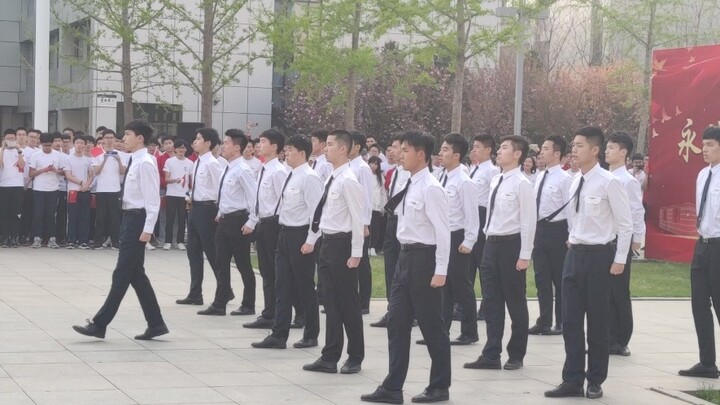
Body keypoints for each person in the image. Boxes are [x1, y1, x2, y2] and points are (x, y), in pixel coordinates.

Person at [361, 130, 451, 404]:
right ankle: (392, 387)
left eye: (406, 150)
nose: (399, 154)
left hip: (424, 261)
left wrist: (440, 270)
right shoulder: (410, 182)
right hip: (405, 259)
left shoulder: (431, 187)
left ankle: (439, 386)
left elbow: (443, 232)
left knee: (432, 326)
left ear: (420, 154)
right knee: (397, 323)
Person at [545, 126, 632, 399]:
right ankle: (571, 379)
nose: (574, 150)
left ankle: (595, 379)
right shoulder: (574, 181)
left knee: (597, 321)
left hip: (599, 257)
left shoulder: (610, 182)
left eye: (580, 145)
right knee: (570, 321)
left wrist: (619, 260)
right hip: (575, 256)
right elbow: (574, 218)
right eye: (573, 144)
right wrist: (573, 239)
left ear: (595, 150)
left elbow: (625, 224)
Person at [72, 119, 168, 341]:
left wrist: (147, 229)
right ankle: (156, 324)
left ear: (140, 138)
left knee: (122, 273)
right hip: (129, 218)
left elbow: (152, 200)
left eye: (127, 135)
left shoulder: (146, 163)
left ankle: (99, 323)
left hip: (137, 220)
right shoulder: (135, 160)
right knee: (136, 276)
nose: (122, 139)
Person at [465, 135, 536, 372]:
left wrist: (525, 254)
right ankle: (491, 353)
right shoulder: (496, 180)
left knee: (515, 301)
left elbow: (528, 221)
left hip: (511, 245)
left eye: (505, 147)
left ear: (517, 154)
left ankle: (516, 354)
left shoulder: (522, 183)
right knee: (491, 301)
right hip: (491, 244)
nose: (500, 151)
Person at [252, 134, 323, 349]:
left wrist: (311, 240)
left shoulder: (309, 177)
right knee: (281, 284)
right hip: (284, 234)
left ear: (302, 153)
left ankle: (311, 334)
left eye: (291, 150)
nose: (287, 153)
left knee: (304, 287)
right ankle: (278, 334)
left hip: (301, 236)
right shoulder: (290, 174)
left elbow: (316, 213)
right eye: (287, 149)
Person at [303, 129, 365, 375]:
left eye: (329, 144)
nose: (324, 148)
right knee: (329, 303)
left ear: (343, 149)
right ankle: (330, 355)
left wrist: (356, 253)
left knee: (348, 304)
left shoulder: (349, 179)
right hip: (328, 244)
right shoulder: (332, 176)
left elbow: (358, 219)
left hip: (343, 245)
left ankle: (355, 356)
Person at [196, 129, 257, 317]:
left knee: (243, 264)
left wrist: (252, 221)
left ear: (237, 147)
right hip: (224, 220)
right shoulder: (228, 167)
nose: (223, 146)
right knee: (220, 262)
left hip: (239, 220)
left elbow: (253, 197)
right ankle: (219, 303)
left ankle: (248, 304)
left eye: (227, 143)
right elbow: (226, 194)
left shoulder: (243, 169)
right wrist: (221, 212)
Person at [678, 126, 720, 379]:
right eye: (703, 144)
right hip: (702, 245)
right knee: (699, 305)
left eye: (711, 145)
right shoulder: (703, 174)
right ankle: (707, 362)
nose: (704, 149)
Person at [434, 133, 479, 346]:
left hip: (457, 236)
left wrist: (469, 241)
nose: (441, 154)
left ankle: (469, 332)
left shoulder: (464, 181)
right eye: (441, 149)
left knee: (461, 286)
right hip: (442, 235)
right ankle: (441, 331)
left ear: (457, 155)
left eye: (445, 150)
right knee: (444, 286)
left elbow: (472, 215)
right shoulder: (442, 176)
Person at [242, 129, 289, 329]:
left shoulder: (279, 171)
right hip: (263, 223)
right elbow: (259, 200)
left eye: (263, 141)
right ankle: (269, 313)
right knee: (266, 271)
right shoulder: (264, 168)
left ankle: (279, 313)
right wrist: (253, 221)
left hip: (274, 224)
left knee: (277, 272)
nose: (259, 145)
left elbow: (284, 201)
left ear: (275, 147)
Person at [605, 133, 645, 357]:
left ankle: (621, 339)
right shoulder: (604, 176)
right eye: (607, 147)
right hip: (604, 239)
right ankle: (607, 336)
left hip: (621, 238)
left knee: (619, 290)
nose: (607, 151)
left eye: (612, 148)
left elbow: (636, 212)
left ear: (624, 152)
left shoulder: (627, 180)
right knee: (605, 291)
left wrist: (636, 239)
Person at [529, 136, 572, 336]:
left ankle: (562, 322)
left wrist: (571, 234)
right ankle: (544, 320)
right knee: (541, 278)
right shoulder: (540, 176)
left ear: (557, 154)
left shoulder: (565, 179)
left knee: (559, 279)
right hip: (539, 231)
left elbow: (571, 209)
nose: (541, 152)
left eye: (545, 149)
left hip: (558, 231)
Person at [176, 128, 223, 306]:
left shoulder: (213, 163)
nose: (194, 142)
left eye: (198, 139)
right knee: (193, 252)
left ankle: (224, 289)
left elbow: (220, 189)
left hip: (208, 210)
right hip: (194, 208)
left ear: (208, 143)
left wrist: (220, 212)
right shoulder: (197, 162)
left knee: (212, 252)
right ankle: (195, 293)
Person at [370, 134, 411, 328]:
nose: (393, 152)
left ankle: (409, 313)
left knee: (404, 270)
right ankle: (392, 309)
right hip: (391, 221)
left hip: (405, 223)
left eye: (398, 148)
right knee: (390, 267)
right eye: (392, 148)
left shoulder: (413, 174)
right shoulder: (395, 172)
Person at [468, 135, 500, 322]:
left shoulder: (492, 171)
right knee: (468, 265)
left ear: (488, 150)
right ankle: (465, 306)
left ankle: (486, 307)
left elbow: (492, 201)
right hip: (471, 215)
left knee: (483, 264)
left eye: (478, 147)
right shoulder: (475, 169)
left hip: (482, 215)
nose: (474, 150)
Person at [349, 131, 374, 314]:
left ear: (357, 146)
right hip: (348, 222)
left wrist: (365, 224)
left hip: (360, 222)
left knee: (362, 262)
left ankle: (364, 302)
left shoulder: (362, 168)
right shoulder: (348, 166)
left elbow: (367, 197)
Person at [92, 130, 128, 249]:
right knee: (100, 217)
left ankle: (115, 242)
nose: (109, 140)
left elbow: (122, 172)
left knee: (115, 218)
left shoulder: (121, 154)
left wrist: (117, 159)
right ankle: (97, 242)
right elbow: (96, 172)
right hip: (101, 189)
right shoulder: (97, 152)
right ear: (102, 139)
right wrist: (105, 159)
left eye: (111, 137)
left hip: (115, 189)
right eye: (106, 137)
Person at [28, 132, 65, 249]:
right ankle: (37, 238)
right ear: (41, 144)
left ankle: (52, 239)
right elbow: (31, 173)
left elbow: (63, 172)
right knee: (38, 215)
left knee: (51, 215)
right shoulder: (36, 155)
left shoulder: (58, 155)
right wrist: (43, 170)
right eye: (45, 146)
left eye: (49, 145)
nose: (47, 148)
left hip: (53, 189)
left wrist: (55, 170)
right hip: (39, 189)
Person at [64, 135, 94, 249]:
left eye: (82, 143)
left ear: (85, 145)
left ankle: (83, 240)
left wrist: (86, 185)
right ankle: (71, 239)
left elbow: (91, 175)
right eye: (78, 143)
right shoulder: (68, 159)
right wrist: (81, 183)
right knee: (72, 216)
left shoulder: (88, 160)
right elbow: (68, 175)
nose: (80, 145)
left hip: (85, 191)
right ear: (74, 144)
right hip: (73, 191)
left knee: (84, 216)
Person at [163, 139, 193, 251]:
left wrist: (190, 194)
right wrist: (174, 180)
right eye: (179, 148)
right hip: (171, 193)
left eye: (183, 148)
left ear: (186, 149)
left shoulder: (190, 163)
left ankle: (180, 241)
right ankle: (168, 241)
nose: (181, 150)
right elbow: (166, 179)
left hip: (183, 195)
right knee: (170, 218)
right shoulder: (170, 161)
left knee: (182, 218)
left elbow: (191, 181)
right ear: (175, 149)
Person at [0, 129, 25, 248]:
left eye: (12, 139)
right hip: (3, 186)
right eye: (8, 139)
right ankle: (5, 237)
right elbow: (1, 165)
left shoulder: (20, 151)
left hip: (17, 185)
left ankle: (14, 237)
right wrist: (3, 149)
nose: (10, 141)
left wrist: (19, 150)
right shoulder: (1, 151)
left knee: (16, 213)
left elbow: (22, 166)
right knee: (4, 213)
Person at [367, 156, 388, 256]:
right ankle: (367, 246)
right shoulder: (365, 175)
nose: (373, 166)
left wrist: (383, 206)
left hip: (376, 205)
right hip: (366, 205)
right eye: (371, 163)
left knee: (375, 228)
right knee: (367, 226)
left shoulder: (380, 177)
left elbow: (383, 192)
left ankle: (373, 247)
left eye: (375, 164)